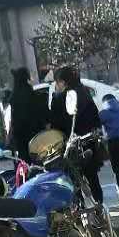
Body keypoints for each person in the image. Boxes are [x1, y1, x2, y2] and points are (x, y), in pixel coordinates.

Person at [50, 67, 104, 202]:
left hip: (70, 145)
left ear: (63, 82)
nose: (56, 85)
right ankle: (99, 206)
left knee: (73, 179)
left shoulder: (61, 98)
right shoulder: (84, 91)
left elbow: (56, 123)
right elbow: (95, 117)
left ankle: (79, 208)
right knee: (92, 178)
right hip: (88, 141)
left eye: (57, 82)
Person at [7, 68, 49, 162]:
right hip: (36, 136)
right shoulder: (34, 95)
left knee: (25, 162)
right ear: (26, 78)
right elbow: (42, 116)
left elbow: (14, 120)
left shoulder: (14, 98)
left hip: (21, 138)